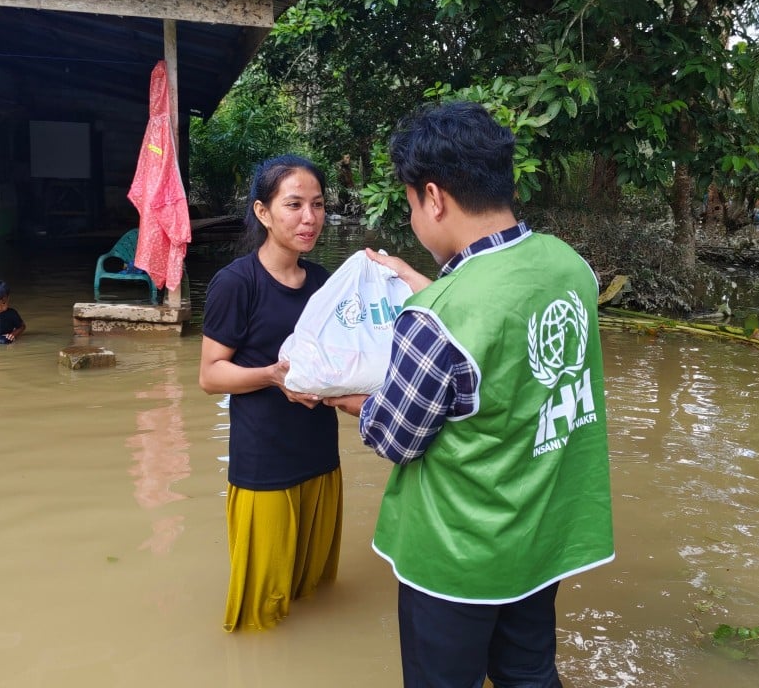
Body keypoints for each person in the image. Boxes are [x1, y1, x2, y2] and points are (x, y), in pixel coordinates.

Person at [325, 101, 615, 687]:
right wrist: (424, 283)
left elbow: (396, 437)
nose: (415, 219)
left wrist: (343, 396)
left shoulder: (434, 317)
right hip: (543, 536)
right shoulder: (571, 267)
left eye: (411, 205)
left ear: (433, 198)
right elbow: (508, 354)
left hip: (456, 556)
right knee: (529, 674)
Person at [198, 154, 342, 632]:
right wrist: (272, 376)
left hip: (320, 455)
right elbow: (210, 376)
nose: (309, 218)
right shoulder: (236, 283)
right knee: (260, 612)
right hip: (264, 463)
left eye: (318, 205)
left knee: (314, 595)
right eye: (294, 204)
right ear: (263, 212)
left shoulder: (322, 282)